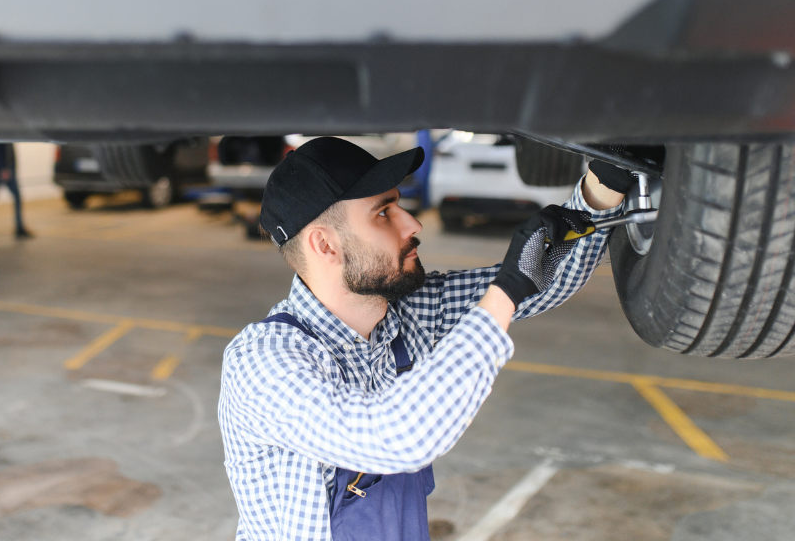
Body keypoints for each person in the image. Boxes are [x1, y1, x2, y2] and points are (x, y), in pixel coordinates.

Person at [218, 136, 632, 541]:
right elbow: (395, 438)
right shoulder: (264, 363)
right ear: (325, 244)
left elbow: (541, 282)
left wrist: (606, 183)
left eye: (399, 205)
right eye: (383, 213)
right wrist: (504, 291)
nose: (413, 224)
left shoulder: (411, 311)